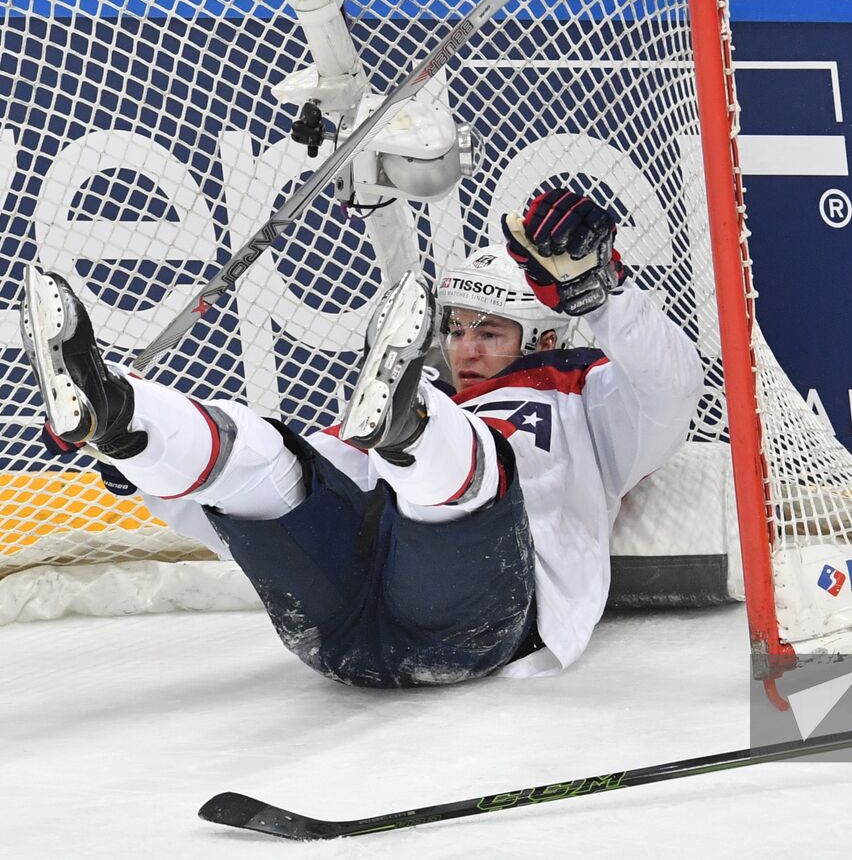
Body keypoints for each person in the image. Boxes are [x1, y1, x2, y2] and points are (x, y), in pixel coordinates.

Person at [22, 188, 703, 688]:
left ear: (547, 336)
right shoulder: (416, 390)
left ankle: (411, 441)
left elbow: (674, 387)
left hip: (489, 620)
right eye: (456, 327)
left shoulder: (591, 399)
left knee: (480, 472)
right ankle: (116, 410)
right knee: (285, 464)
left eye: (490, 331)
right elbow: (246, 521)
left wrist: (603, 293)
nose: (464, 346)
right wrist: (143, 464)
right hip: (336, 631)